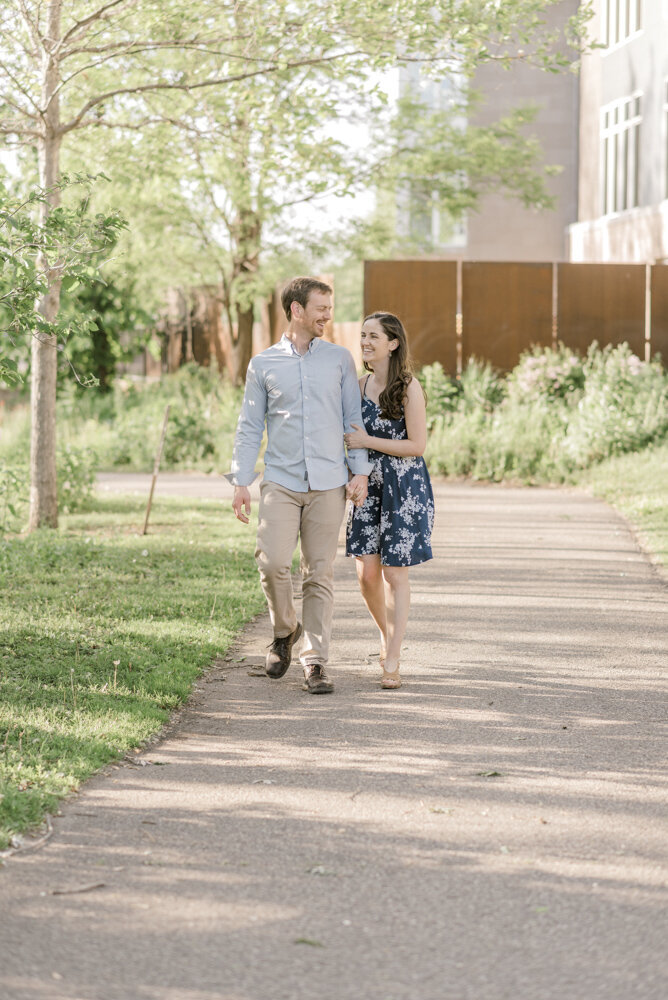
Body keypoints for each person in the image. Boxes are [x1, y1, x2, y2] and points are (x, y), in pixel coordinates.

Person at [226, 276, 372, 694]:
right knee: (272, 563)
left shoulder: (339, 359)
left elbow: (352, 419)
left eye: (329, 307)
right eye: (321, 308)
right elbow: (249, 427)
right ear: (297, 310)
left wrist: (358, 471)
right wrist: (240, 481)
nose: (328, 315)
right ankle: (284, 628)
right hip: (282, 481)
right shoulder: (263, 364)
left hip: (329, 481)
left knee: (319, 572)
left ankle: (315, 662)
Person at [344, 312, 434, 690]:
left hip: (404, 488)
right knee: (366, 574)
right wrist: (355, 473)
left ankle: (393, 655)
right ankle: (387, 634)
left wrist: (369, 443)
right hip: (368, 485)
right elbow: (347, 438)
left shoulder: (409, 387)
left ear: (393, 343)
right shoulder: (358, 386)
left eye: (373, 337)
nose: (365, 342)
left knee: (395, 573)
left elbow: (417, 445)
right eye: (363, 335)